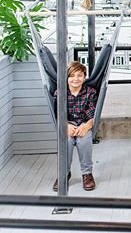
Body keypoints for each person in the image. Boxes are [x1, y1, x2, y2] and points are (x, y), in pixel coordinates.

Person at [53, 61, 97, 192]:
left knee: (84, 142)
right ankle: (64, 173)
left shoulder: (91, 92)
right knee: (66, 141)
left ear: (84, 77)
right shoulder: (60, 92)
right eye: (72, 76)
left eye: (79, 75)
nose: (75, 79)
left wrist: (86, 126)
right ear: (66, 78)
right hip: (67, 124)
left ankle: (87, 174)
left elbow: (93, 115)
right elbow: (57, 114)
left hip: (84, 123)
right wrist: (65, 125)